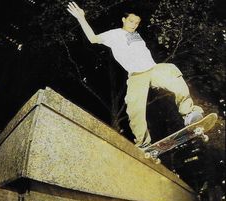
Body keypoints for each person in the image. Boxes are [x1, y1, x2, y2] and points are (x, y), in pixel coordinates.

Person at [67, 2, 204, 149]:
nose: (134, 25)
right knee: (134, 110)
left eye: (137, 23)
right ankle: (143, 143)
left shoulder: (137, 35)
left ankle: (189, 113)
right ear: (123, 20)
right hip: (136, 77)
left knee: (172, 72)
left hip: (153, 70)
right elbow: (93, 38)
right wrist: (81, 18)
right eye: (131, 21)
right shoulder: (115, 34)